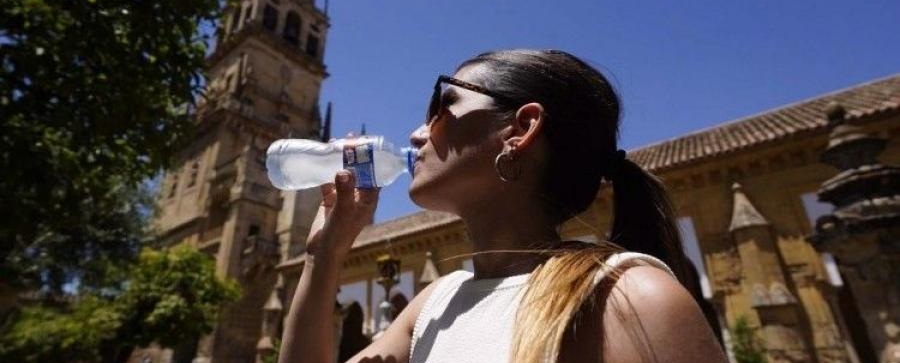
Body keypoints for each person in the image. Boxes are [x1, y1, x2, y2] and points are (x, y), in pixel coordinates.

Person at [278, 49, 728, 363]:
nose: (417, 133)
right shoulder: (435, 302)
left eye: (443, 104)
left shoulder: (630, 298)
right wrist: (324, 255)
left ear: (521, 129)